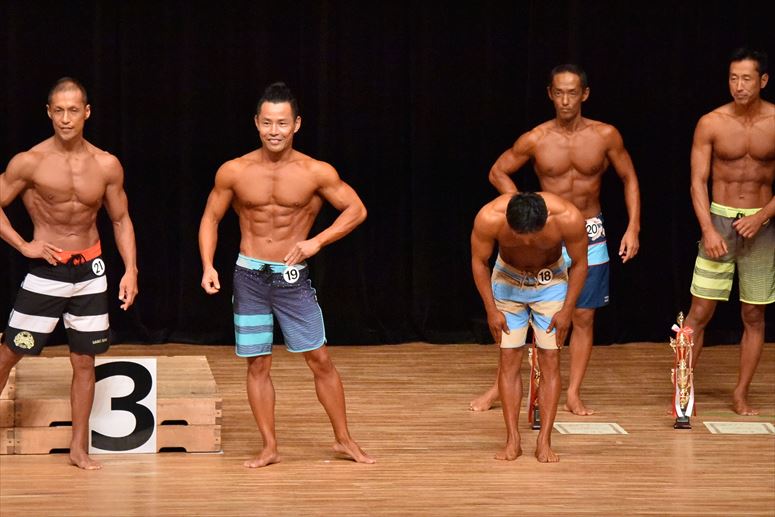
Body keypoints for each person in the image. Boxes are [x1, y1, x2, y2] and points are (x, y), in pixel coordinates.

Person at [199, 82, 374, 468]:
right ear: (256, 123)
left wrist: (317, 242)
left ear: (296, 124)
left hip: (292, 279)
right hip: (249, 277)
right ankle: (269, 446)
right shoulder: (234, 170)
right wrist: (208, 264)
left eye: (281, 123)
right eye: (267, 123)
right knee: (257, 363)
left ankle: (344, 440)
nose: (274, 131)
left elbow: (356, 210)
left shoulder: (316, 172)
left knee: (320, 359)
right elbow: (211, 217)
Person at [470, 64, 641, 415]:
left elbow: (629, 178)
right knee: (526, 310)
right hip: (546, 231)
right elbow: (497, 171)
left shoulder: (605, 135)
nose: (565, 101)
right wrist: (523, 208)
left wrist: (633, 227)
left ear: (584, 94)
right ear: (550, 94)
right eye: (559, 93)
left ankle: (573, 392)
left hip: (588, 229)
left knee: (582, 316)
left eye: (572, 93)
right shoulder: (536, 138)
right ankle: (501, 387)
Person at [0, 77, 138, 469]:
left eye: (73, 110)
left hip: (91, 271)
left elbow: (121, 219)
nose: (65, 118)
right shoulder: (30, 162)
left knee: (84, 361)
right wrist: (24, 245)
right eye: (58, 110)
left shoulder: (106, 164)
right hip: (47, 271)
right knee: (11, 352)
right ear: (48, 112)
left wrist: (131, 270)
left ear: (86, 112)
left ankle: (79, 448)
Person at [684, 48, 774, 416]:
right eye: (733, 78)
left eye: (747, 78)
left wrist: (762, 216)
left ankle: (741, 393)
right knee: (699, 311)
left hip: (761, 226)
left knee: (753, 314)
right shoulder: (712, 123)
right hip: (719, 222)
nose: (739, 86)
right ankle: (683, 392)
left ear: (762, 80)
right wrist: (708, 229)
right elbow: (697, 181)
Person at [472, 192, 587, 462]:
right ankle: (512, 439)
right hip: (507, 281)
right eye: (518, 235)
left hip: (551, 282)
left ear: (545, 220)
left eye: (532, 235)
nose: (526, 241)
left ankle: (544, 440)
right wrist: (491, 310)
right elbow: (479, 262)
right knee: (509, 358)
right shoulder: (489, 217)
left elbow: (581, 264)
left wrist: (567, 310)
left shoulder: (568, 217)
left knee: (550, 360)